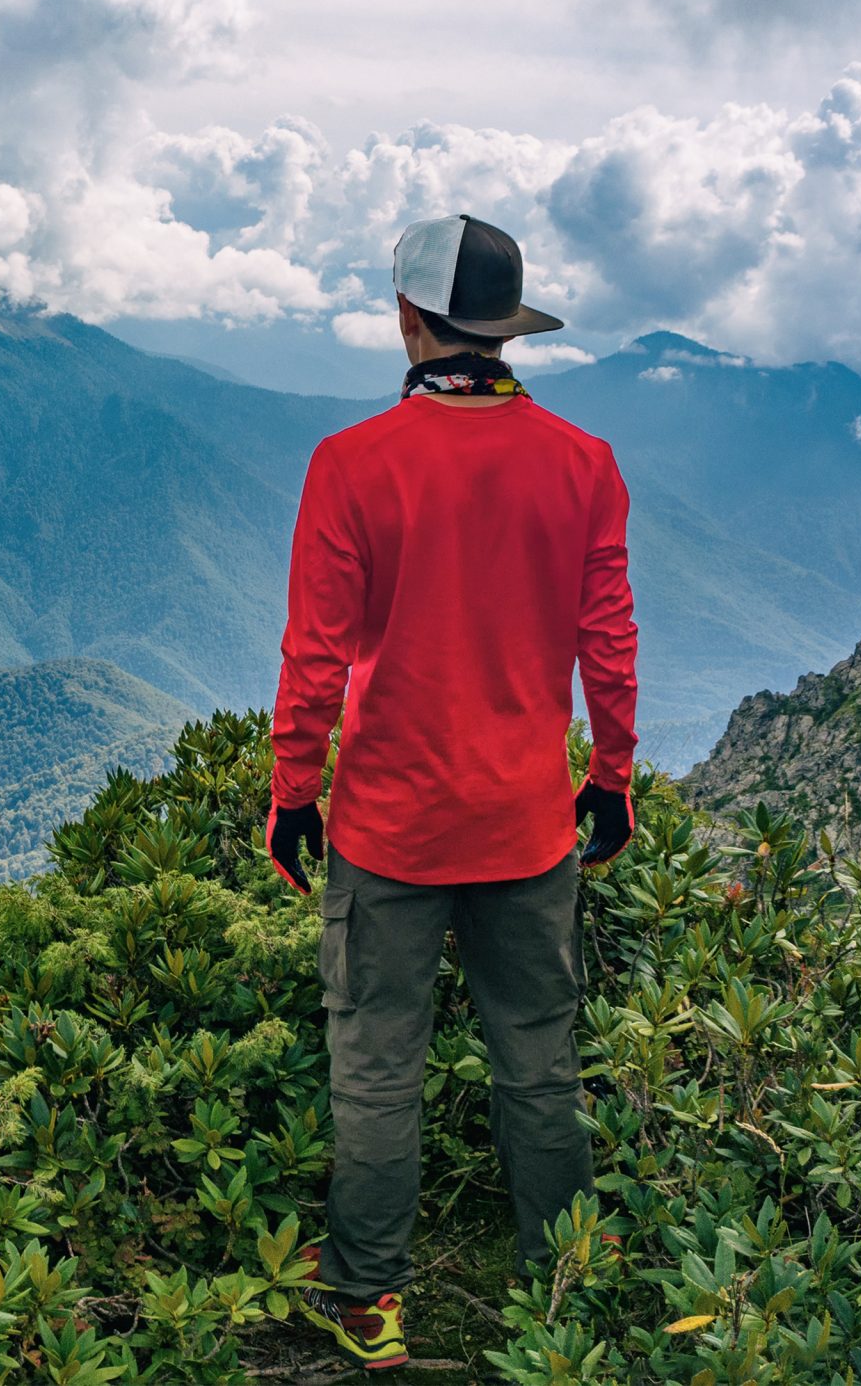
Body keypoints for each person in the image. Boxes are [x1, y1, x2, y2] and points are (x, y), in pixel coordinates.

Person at [265, 214, 639, 1370]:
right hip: (527, 824)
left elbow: (313, 657)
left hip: (388, 827)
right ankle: (559, 1289)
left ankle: (370, 1302)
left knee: (376, 1065)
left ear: (408, 318)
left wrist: (292, 793)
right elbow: (607, 642)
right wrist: (610, 775)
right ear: (504, 327)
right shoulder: (581, 462)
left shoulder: (351, 465)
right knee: (538, 1057)